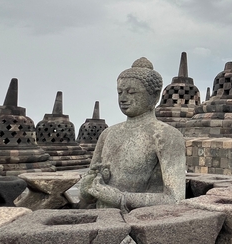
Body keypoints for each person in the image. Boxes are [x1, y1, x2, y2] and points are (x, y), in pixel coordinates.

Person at [79, 57, 186, 210]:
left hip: (139, 224)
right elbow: (89, 194)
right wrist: (87, 188)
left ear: (154, 96)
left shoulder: (166, 136)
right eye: (120, 92)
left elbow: (175, 198)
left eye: (131, 92)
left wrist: (120, 198)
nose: (123, 99)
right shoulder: (107, 134)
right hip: (100, 219)